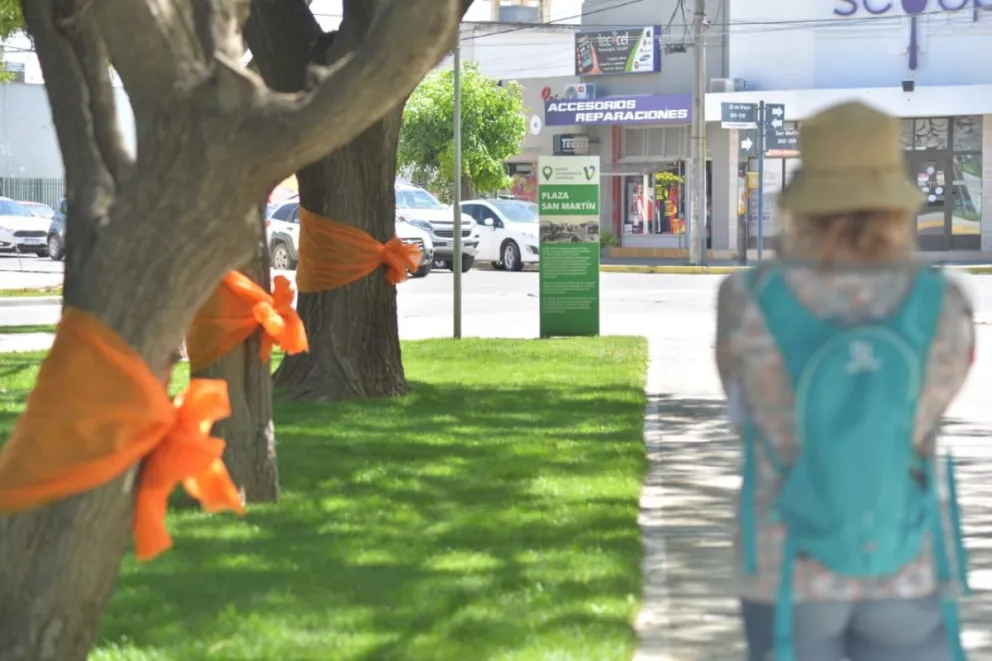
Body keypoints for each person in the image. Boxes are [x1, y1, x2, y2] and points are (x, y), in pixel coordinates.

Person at [715, 101, 975, 661]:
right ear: (895, 204)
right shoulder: (943, 305)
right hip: (905, 555)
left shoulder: (746, 300)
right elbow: (932, 409)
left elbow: (742, 413)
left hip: (786, 564)